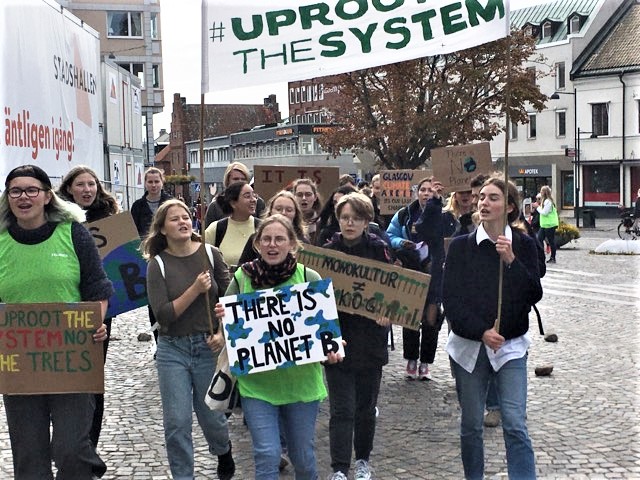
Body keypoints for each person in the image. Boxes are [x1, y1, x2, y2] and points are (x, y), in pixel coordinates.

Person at [0, 164, 113, 479]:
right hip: (20, 366)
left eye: (31, 190)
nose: (24, 197)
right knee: (29, 457)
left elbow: (98, 288)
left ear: (47, 196)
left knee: (72, 449)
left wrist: (95, 320)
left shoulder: (73, 233)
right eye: (15, 191)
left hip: (71, 361)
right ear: (7, 197)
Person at [213, 214, 340, 479]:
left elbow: (323, 328)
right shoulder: (242, 278)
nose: (272, 244)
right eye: (266, 239)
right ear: (257, 244)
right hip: (257, 386)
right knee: (267, 455)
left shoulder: (308, 277)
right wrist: (223, 321)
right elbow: (228, 325)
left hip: (301, 385)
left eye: (279, 239)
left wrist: (331, 347)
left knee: (303, 458)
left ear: (292, 244)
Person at [443, 177, 542, 480]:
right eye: (482, 197)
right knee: (471, 424)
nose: (484, 202)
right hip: (470, 348)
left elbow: (533, 293)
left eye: (493, 198)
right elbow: (452, 300)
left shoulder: (524, 245)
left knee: (514, 422)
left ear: (509, 207)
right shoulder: (461, 247)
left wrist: (511, 261)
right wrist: (481, 332)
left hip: (510, 347)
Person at [142, 199, 235, 480]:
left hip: (208, 346)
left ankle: (223, 449)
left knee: (212, 416)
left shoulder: (210, 254)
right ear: (162, 229)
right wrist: (195, 289)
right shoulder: (157, 265)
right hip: (173, 349)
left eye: (185, 217)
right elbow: (164, 315)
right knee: (177, 421)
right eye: (174, 219)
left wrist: (221, 334)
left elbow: (230, 301)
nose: (182, 222)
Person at [323, 192, 393, 480]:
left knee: (365, 408)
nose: (349, 223)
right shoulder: (328, 250)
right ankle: (340, 468)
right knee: (341, 409)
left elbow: (394, 289)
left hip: (370, 341)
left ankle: (363, 460)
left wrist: (388, 312)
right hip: (338, 339)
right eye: (344, 218)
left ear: (366, 221)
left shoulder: (379, 249)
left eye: (355, 218)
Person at [57, 165, 120, 448]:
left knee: (93, 377)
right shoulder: (58, 221)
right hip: (65, 306)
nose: (87, 189)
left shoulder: (110, 218)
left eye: (91, 184)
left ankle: (89, 444)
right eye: (80, 184)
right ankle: (68, 438)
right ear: (69, 188)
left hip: (100, 309)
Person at [386, 177, 445, 381]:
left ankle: (425, 362)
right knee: (410, 317)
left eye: (430, 190)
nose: (426, 193)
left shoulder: (443, 213)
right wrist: (402, 243)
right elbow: (389, 236)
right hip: (411, 270)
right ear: (417, 192)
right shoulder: (404, 214)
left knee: (431, 319)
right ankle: (411, 359)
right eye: (423, 190)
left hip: (434, 272)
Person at [130, 167, 172, 346]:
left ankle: (171, 341)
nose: (153, 185)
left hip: (169, 254)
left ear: (162, 182)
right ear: (145, 183)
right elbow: (131, 233)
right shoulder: (138, 206)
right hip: (146, 257)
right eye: (150, 181)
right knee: (153, 301)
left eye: (157, 181)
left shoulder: (171, 203)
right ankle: (158, 343)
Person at [204, 180, 259, 271]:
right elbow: (201, 259)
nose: (253, 200)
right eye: (247, 196)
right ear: (233, 203)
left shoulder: (263, 228)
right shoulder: (216, 229)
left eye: (254, 195)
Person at [204, 161, 265, 229]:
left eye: (243, 179)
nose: (240, 182)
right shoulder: (215, 207)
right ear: (228, 181)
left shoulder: (257, 203)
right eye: (236, 179)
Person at [292, 178, 322, 244]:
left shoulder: (322, 223)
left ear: (315, 197)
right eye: (299, 195)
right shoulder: (289, 223)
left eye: (308, 194)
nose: (304, 198)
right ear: (294, 197)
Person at [536, 185, 559, 263]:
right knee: (539, 239)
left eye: (541, 191)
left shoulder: (548, 201)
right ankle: (541, 256)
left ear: (544, 192)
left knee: (551, 241)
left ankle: (553, 257)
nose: (540, 192)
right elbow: (538, 196)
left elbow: (544, 213)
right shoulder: (545, 201)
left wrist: (537, 207)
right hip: (544, 225)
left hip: (550, 225)